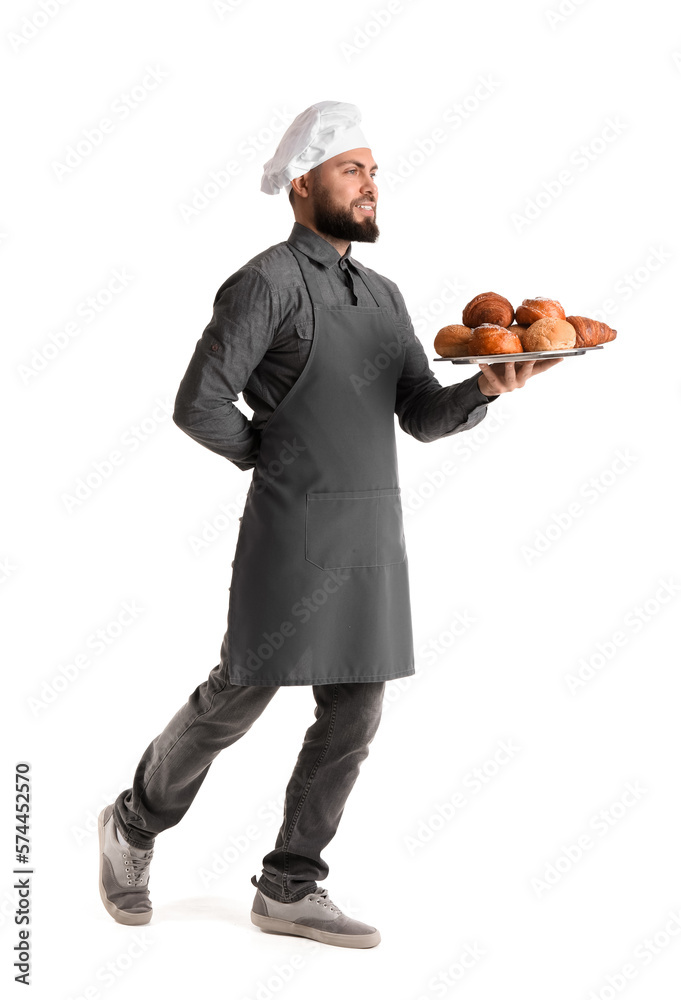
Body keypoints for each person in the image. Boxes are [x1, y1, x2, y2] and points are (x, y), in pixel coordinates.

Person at [97, 100, 562, 949]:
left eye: (374, 171)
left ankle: (289, 885)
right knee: (236, 700)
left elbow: (419, 414)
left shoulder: (381, 295)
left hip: (370, 537)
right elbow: (197, 403)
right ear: (303, 183)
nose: (370, 186)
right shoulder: (267, 281)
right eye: (352, 170)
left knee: (354, 717)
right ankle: (133, 822)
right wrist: (270, 460)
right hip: (290, 533)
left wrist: (487, 388)